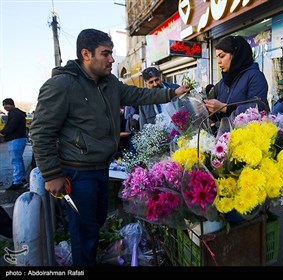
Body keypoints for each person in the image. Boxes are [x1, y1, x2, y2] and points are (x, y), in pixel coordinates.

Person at [30, 28, 189, 266]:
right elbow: (41, 131)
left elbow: (137, 95)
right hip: (77, 173)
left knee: (95, 225)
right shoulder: (62, 85)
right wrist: (52, 174)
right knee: (84, 235)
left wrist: (171, 93)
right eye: (106, 54)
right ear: (86, 54)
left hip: (100, 168)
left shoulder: (109, 83)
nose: (112, 59)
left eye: (112, 53)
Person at [204, 35, 268, 127]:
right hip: (222, 137)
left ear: (236, 54)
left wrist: (224, 107)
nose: (218, 61)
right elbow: (217, 114)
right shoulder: (222, 83)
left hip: (246, 137)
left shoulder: (255, 76)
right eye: (217, 57)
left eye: (222, 56)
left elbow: (258, 108)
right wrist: (208, 109)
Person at [0, 98, 28, 190]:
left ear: (12, 104)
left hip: (16, 139)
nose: (5, 106)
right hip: (19, 139)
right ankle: (22, 179)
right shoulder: (16, 113)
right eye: (3, 105)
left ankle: (17, 182)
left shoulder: (15, 114)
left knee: (15, 161)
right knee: (18, 160)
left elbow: (11, 126)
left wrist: (3, 132)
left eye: (7, 104)